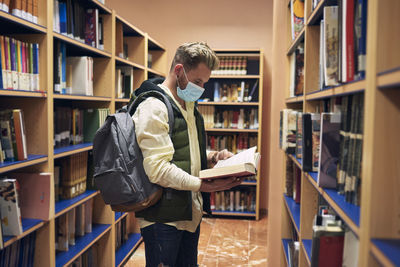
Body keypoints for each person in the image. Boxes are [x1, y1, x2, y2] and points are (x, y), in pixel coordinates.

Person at [131, 42, 243, 267]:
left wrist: (214, 156)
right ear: (179, 70)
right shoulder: (154, 107)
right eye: (198, 82)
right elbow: (157, 169)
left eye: (205, 83)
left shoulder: (188, 104)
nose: (201, 89)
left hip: (188, 212)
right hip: (163, 219)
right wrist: (203, 185)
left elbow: (184, 150)